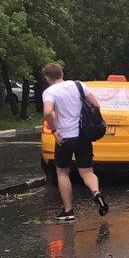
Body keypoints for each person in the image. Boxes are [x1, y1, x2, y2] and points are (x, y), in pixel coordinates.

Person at [41, 62, 108, 222]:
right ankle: (96, 192)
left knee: (62, 172)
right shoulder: (79, 85)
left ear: (47, 78)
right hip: (83, 136)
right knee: (87, 172)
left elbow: (47, 111)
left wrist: (54, 128)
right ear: (62, 73)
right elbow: (96, 105)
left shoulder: (50, 92)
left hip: (64, 137)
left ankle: (68, 211)